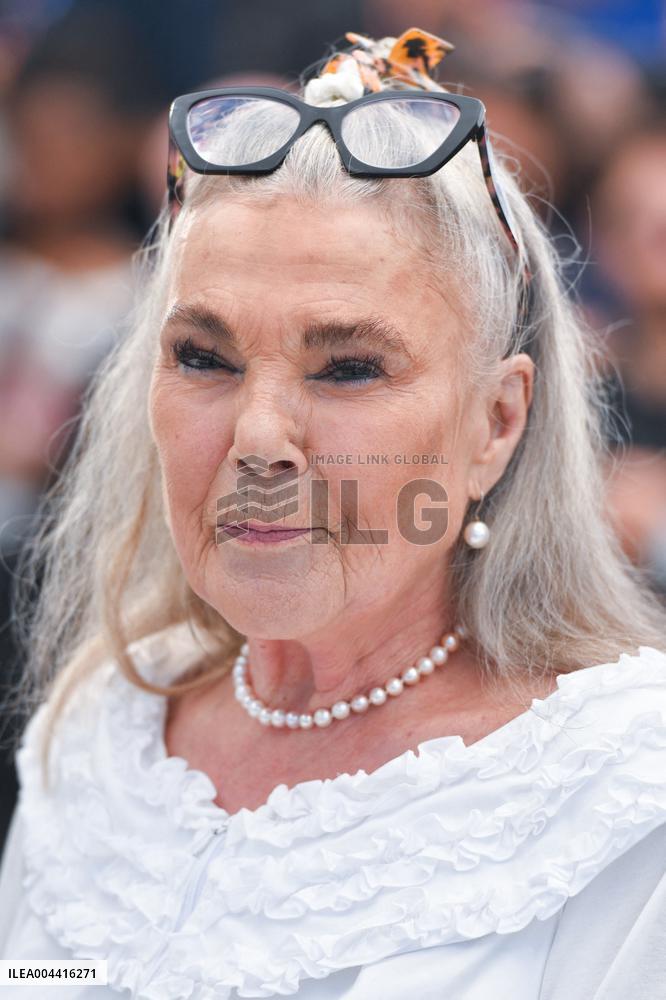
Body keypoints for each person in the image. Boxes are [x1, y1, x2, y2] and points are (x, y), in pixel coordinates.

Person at [1, 27, 666, 1000]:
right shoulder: (107, 728)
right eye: (204, 357)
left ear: (496, 422)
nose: (260, 436)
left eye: (349, 367)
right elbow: (44, 975)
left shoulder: (619, 799)